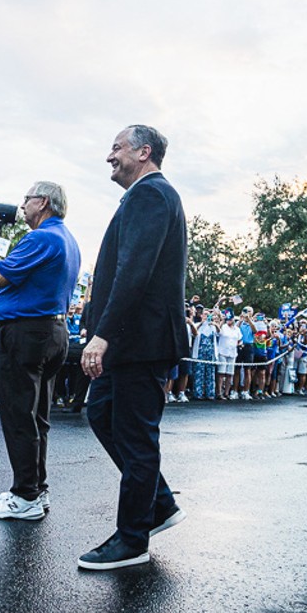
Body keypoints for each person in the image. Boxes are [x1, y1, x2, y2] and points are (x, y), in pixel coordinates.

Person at [78, 125, 188, 570]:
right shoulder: (146, 197)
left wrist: (102, 334)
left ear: (144, 153)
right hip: (131, 340)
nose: (109, 156)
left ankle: (133, 539)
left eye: (117, 148)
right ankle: (158, 503)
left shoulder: (151, 195)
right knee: (101, 413)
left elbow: (135, 269)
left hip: (140, 341)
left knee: (136, 437)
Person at [0, 180, 81, 522]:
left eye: (27, 199)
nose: (22, 205)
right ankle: (36, 487)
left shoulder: (41, 238)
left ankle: (25, 496)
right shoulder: (66, 237)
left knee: (19, 415)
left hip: (25, 332)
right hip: (51, 331)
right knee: (37, 415)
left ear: (44, 202)